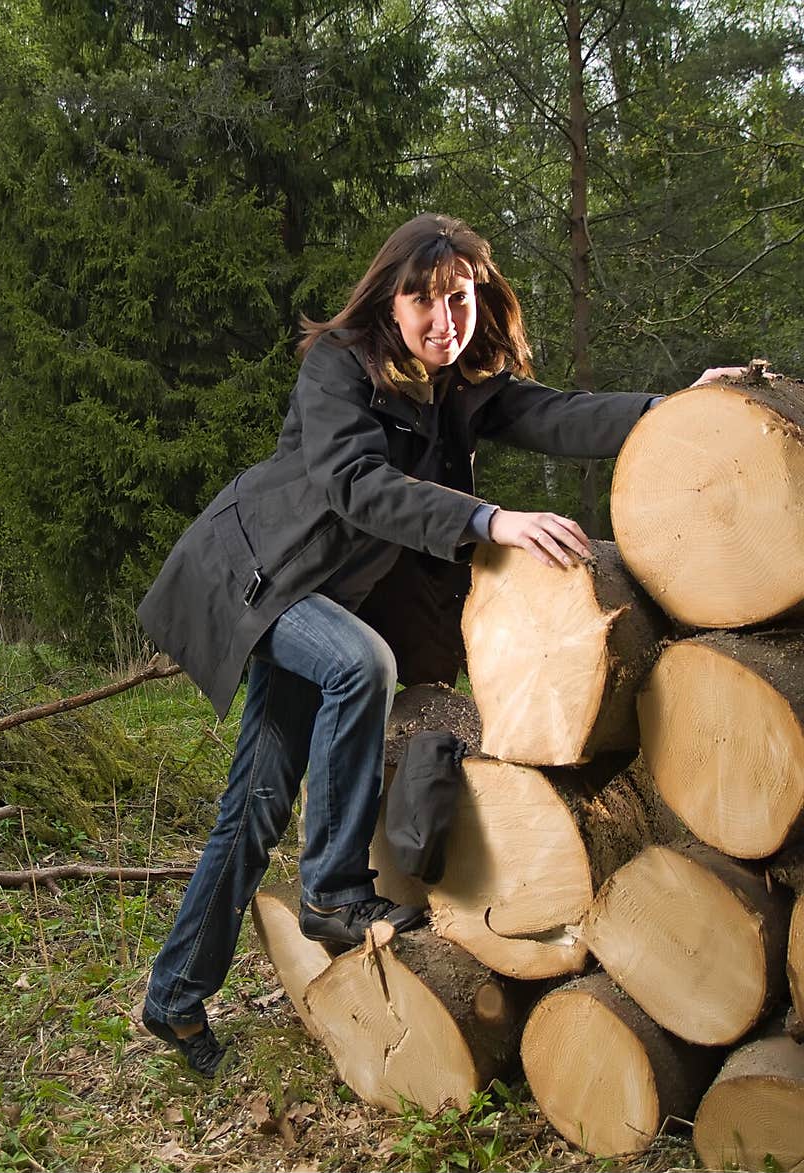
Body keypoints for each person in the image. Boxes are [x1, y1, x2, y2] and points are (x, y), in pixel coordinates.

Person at [135, 212, 749, 1076]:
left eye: (457, 299)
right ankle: (335, 890)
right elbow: (357, 485)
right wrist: (486, 518)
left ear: (478, 297)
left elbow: (559, 415)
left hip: (326, 593)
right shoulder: (336, 367)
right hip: (258, 579)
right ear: (390, 299)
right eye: (422, 300)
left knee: (257, 802)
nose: (442, 320)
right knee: (362, 665)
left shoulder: (461, 382)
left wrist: (678, 407)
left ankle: (172, 997)